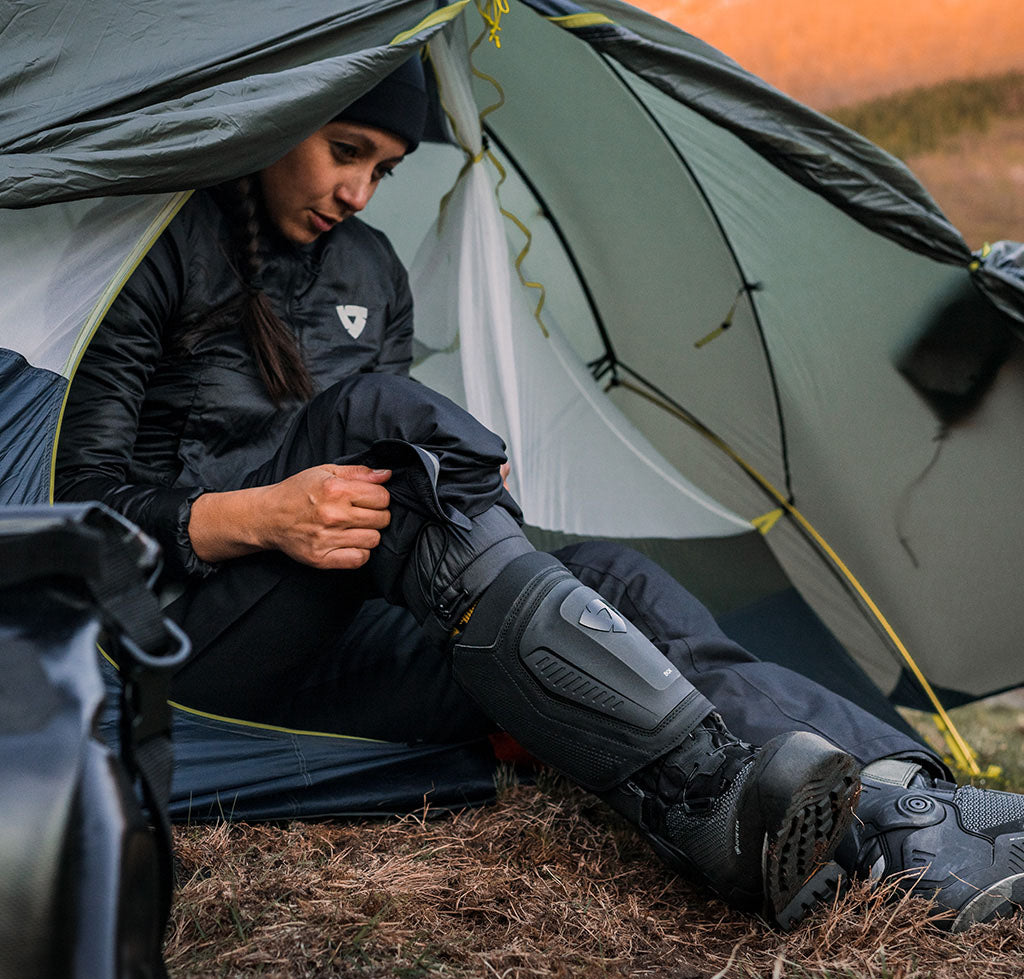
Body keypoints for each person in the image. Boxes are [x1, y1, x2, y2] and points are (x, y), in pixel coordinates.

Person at [54, 58, 1024, 933]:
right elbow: (74, 506)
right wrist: (258, 516)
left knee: (609, 578)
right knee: (373, 415)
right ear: (281, 117)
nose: (357, 191)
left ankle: (910, 814)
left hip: (340, 639)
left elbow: (391, 501)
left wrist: (443, 494)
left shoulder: (370, 270)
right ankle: (709, 800)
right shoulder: (156, 249)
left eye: (384, 169)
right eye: (344, 152)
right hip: (184, 637)